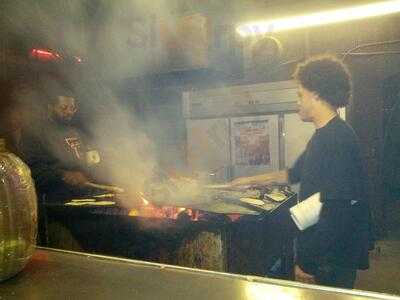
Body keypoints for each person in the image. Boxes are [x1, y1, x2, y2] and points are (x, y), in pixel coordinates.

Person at [231, 55, 371, 289]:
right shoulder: (324, 135)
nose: (297, 102)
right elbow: (293, 174)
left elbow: (336, 209)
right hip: (325, 252)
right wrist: (247, 181)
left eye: (300, 95)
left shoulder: (337, 140)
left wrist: (307, 263)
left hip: (330, 258)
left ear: (316, 94)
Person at [21, 86, 96, 201]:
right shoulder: (35, 132)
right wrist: (63, 175)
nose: (69, 112)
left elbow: (85, 159)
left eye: (72, 108)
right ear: (50, 107)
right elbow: (32, 169)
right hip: (55, 200)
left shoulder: (75, 131)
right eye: (64, 108)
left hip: (83, 196)